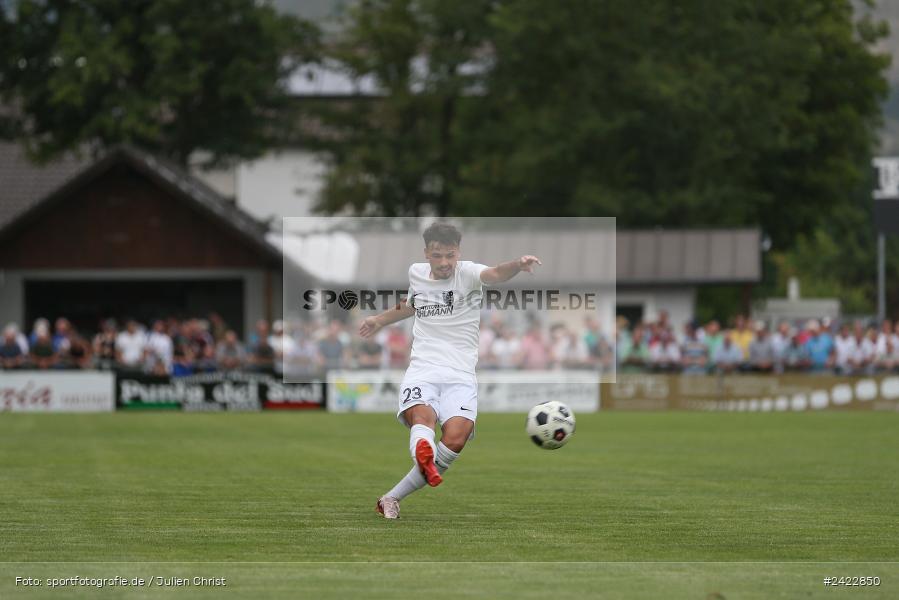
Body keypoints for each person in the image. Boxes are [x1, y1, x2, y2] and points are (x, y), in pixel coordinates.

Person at [359, 222, 541, 519]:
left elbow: (495, 273)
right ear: (426, 254)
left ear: (459, 253)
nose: (444, 262)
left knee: (456, 437)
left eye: (450, 255)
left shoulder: (468, 273)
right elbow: (413, 304)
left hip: (461, 373)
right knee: (424, 417)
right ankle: (424, 451)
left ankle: (392, 496)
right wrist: (380, 320)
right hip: (424, 367)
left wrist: (518, 265)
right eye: (437, 255)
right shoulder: (416, 272)